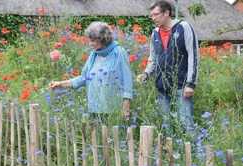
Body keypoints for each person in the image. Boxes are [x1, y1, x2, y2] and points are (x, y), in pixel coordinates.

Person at [49, 21, 133, 125]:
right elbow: (84, 78)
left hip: (114, 110)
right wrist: (61, 84)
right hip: (95, 109)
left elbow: (128, 82)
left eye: (92, 40)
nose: (90, 44)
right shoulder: (94, 55)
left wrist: (125, 108)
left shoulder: (119, 53)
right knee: (97, 139)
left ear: (102, 39)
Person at [137, 0, 199, 134]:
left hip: (181, 86)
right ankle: (171, 154)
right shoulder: (155, 33)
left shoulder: (184, 27)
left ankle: (192, 153)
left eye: (156, 14)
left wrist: (191, 83)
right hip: (162, 87)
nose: (153, 18)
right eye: (151, 15)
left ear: (166, 13)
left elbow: (193, 55)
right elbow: (153, 58)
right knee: (167, 125)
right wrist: (146, 74)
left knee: (185, 123)